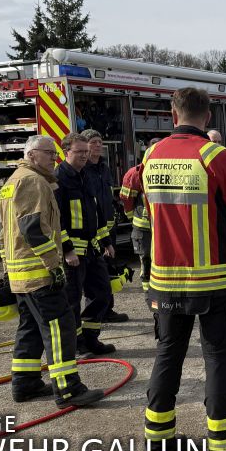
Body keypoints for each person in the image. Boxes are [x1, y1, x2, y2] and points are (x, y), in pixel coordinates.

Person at [142, 87, 226, 451]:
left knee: (167, 357)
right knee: (217, 361)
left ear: (171, 113)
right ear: (208, 116)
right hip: (214, 281)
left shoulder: (150, 157)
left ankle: (158, 450)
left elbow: (149, 215)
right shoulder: (217, 157)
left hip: (164, 281)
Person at [0, 135, 104, 408]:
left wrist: (7, 269)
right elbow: (34, 229)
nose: (54, 159)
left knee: (30, 329)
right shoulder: (32, 181)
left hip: (21, 275)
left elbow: (3, 234)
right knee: (61, 328)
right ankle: (69, 389)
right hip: (38, 273)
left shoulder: (11, 183)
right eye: (49, 154)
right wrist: (53, 265)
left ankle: (25, 383)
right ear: (32, 154)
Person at [55, 132, 116, 355]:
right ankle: (78, 343)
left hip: (93, 249)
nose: (84, 155)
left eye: (85, 151)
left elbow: (96, 211)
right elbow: (56, 220)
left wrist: (106, 241)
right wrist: (67, 249)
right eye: (79, 152)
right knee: (72, 302)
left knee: (102, 294)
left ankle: (91, 339)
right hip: (72, 255)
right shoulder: (58, 180)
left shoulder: (86, 175)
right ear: (65, 152)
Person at [81, 129, 128, 323]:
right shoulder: (82, 170)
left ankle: (107, 309)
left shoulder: (104, 168)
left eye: (100, 141)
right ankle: (95, 313)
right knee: (92, 276)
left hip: (108, 230)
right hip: (92, 232)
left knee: (107, 271)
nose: (98, 145)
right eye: (93, 142)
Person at [120, 138, 162, 293]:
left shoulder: (168, 170)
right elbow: (127, 199)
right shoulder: (135, 173)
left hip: (162, 226)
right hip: (143, 227)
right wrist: (133, 218)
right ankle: (147, 292)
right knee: (146, 260)